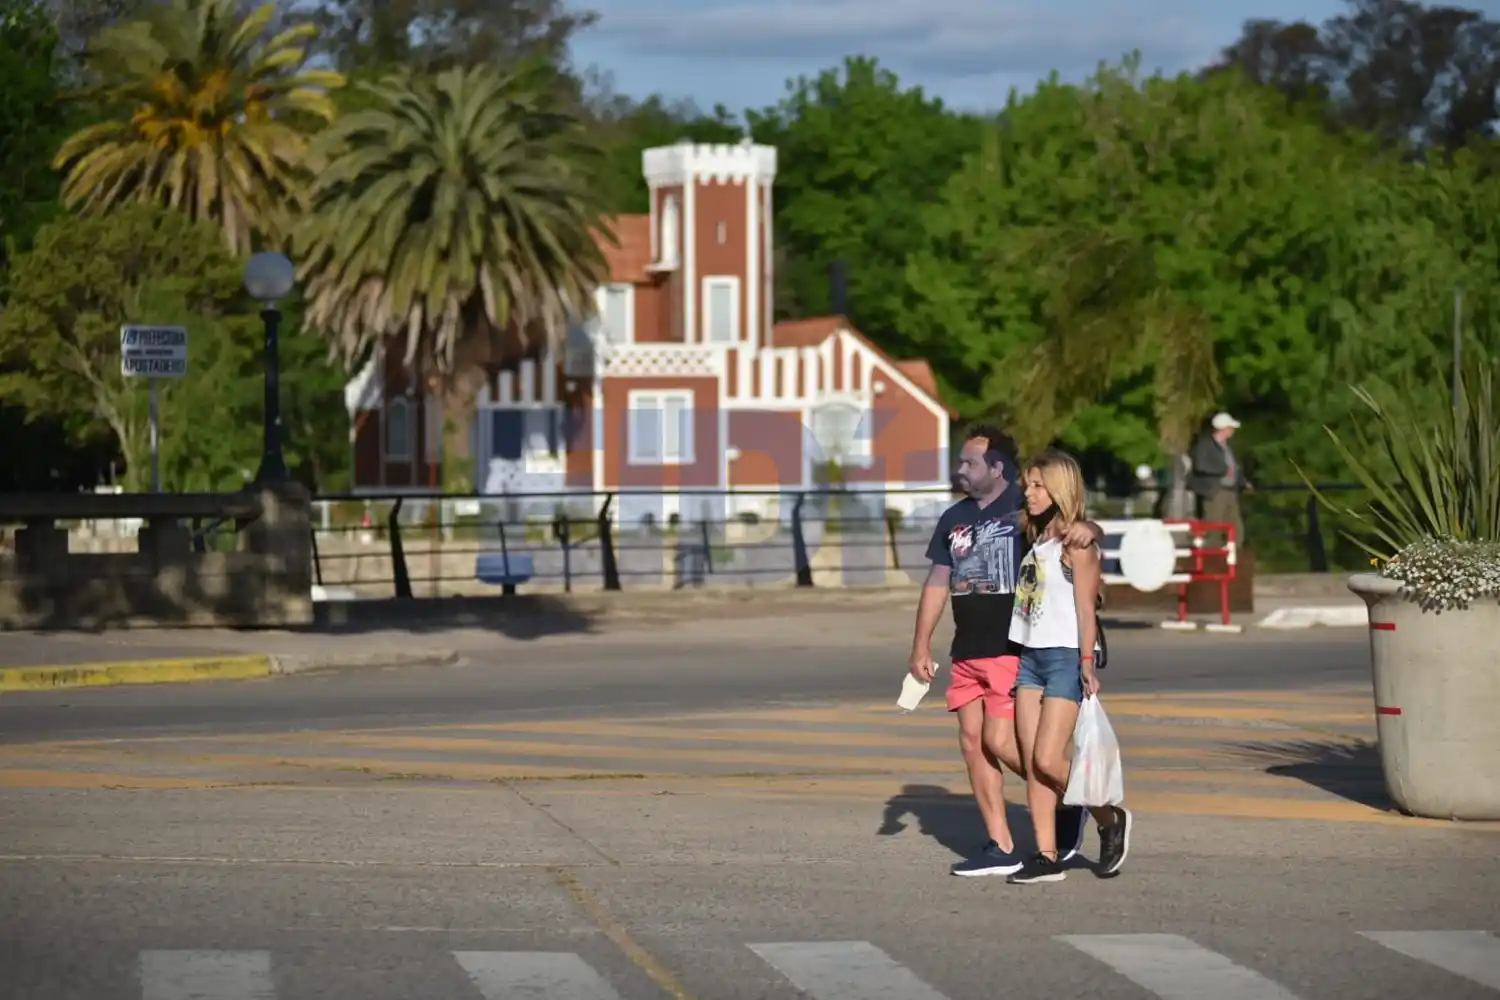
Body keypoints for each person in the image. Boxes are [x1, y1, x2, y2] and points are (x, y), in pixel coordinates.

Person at [908, 425, 1102, 877]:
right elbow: (938, 582)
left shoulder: (1023, 508)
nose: (960, 470)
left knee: (1007, 743)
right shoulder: (953, 519)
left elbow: (1075, 525)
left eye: (969, 462)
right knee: (974, 745)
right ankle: (1000, 844)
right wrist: (921, 644)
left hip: (1014, 647)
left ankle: (1067, 798)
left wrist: (1090, 527)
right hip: (966, 650)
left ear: (997, 468)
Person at [1005, 448, 1131, 885]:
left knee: (1047, 757)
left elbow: (1085, 611)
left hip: (1063, 658)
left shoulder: (1077, 545)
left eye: (1039, 485)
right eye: (1028, 484)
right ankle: (1045, 855)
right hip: (1029, 658)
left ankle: (1108, 816)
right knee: (1032, 762)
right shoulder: (1033, 536)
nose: (1029, 492)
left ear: (1059, 489)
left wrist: (1085, 663)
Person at [1187, 412, 1251, 547]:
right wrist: (1221, 470)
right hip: (1215, 490)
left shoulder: (1227, 447)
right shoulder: (1205, 445)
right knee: (1214, 526)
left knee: (1236, 528)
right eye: (1230, 428)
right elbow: (1200, 465)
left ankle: (1233, 555)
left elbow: (1235, 467)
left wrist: (1243, 481)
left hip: (1230, 490)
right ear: (1223, 429)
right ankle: (1211, 557)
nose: (1233, 431)